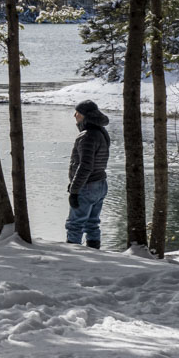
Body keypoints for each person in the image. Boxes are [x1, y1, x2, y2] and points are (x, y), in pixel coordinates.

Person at [66, 99, 110, 248]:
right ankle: (94, 254)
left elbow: (85, 166)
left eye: (77, 113)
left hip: (87, 186)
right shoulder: (101, 132)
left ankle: (73, 259)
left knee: (75, 225)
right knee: (92, 223)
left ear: (85, 115)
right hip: (100, 184)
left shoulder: (87, 136)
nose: (74, 116)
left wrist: (74, 190)